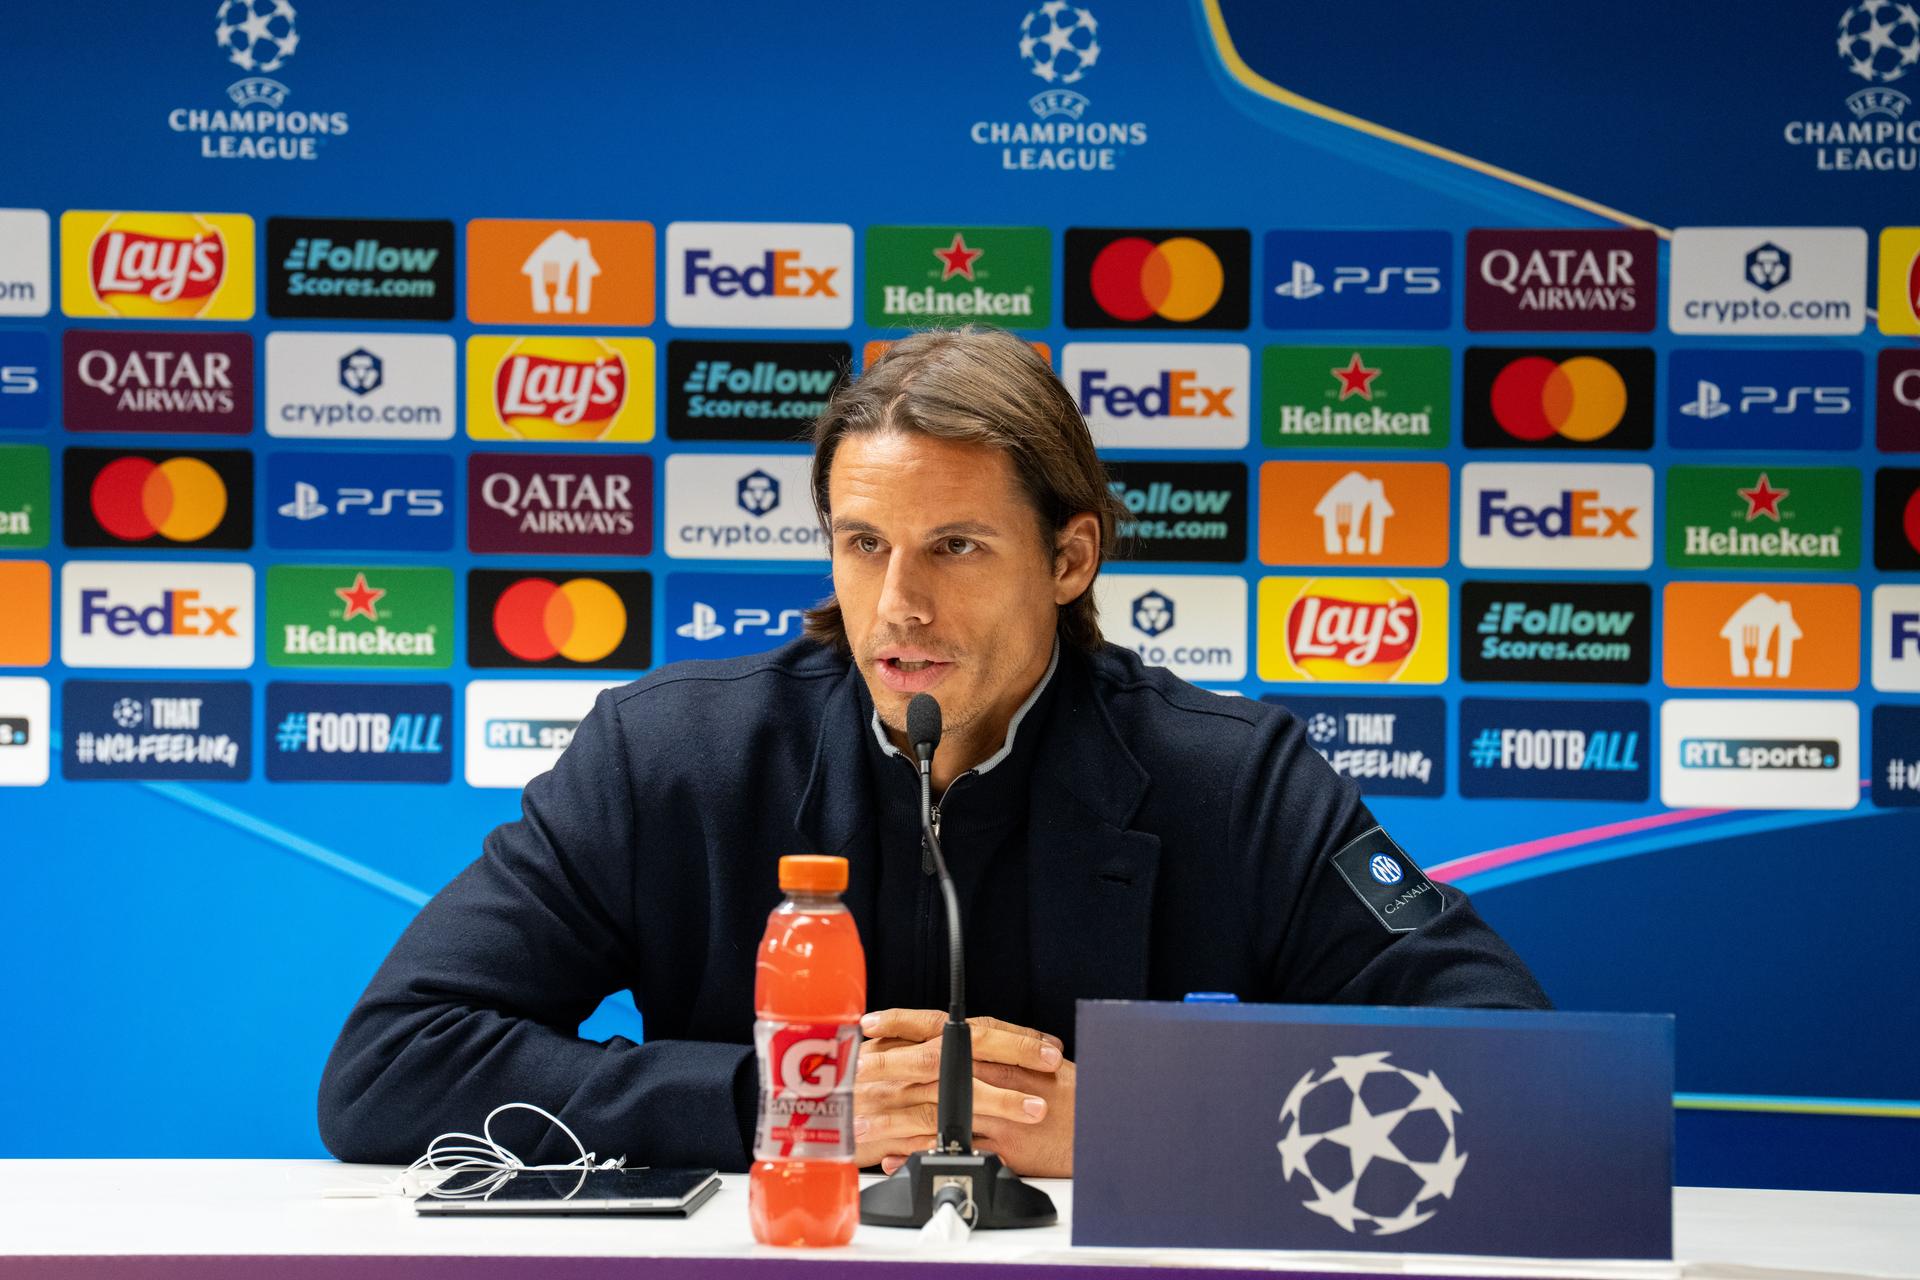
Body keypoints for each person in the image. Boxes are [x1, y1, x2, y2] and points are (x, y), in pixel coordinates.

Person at [317, 326, 1548, 1179]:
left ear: (1070, 560)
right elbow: (388, 1069)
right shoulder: (674, 754)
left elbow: (1520, 1077)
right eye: (863, 544)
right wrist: (780, 1102)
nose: (897, 604)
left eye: (955, 547)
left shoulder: (1231, 774)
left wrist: (1138, 1122)